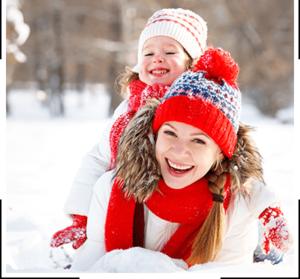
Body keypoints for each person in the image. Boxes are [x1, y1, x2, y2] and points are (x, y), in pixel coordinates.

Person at [70, 47, 294, 271]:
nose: (178, 151)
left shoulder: (236, 208)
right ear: (154, 135)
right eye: (170, 133)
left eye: (198, 141)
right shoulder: (110, 190)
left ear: (221, 153)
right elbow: (90, 268)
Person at [50, 8, 208, 250]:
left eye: (169, 51)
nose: (157, 58)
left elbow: (233, 163)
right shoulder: (128, 109)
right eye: (148, 52)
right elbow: (97, 159)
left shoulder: (202, 106)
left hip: (182, 216)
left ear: (191, 62)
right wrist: (84, 216)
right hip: (125, 212)